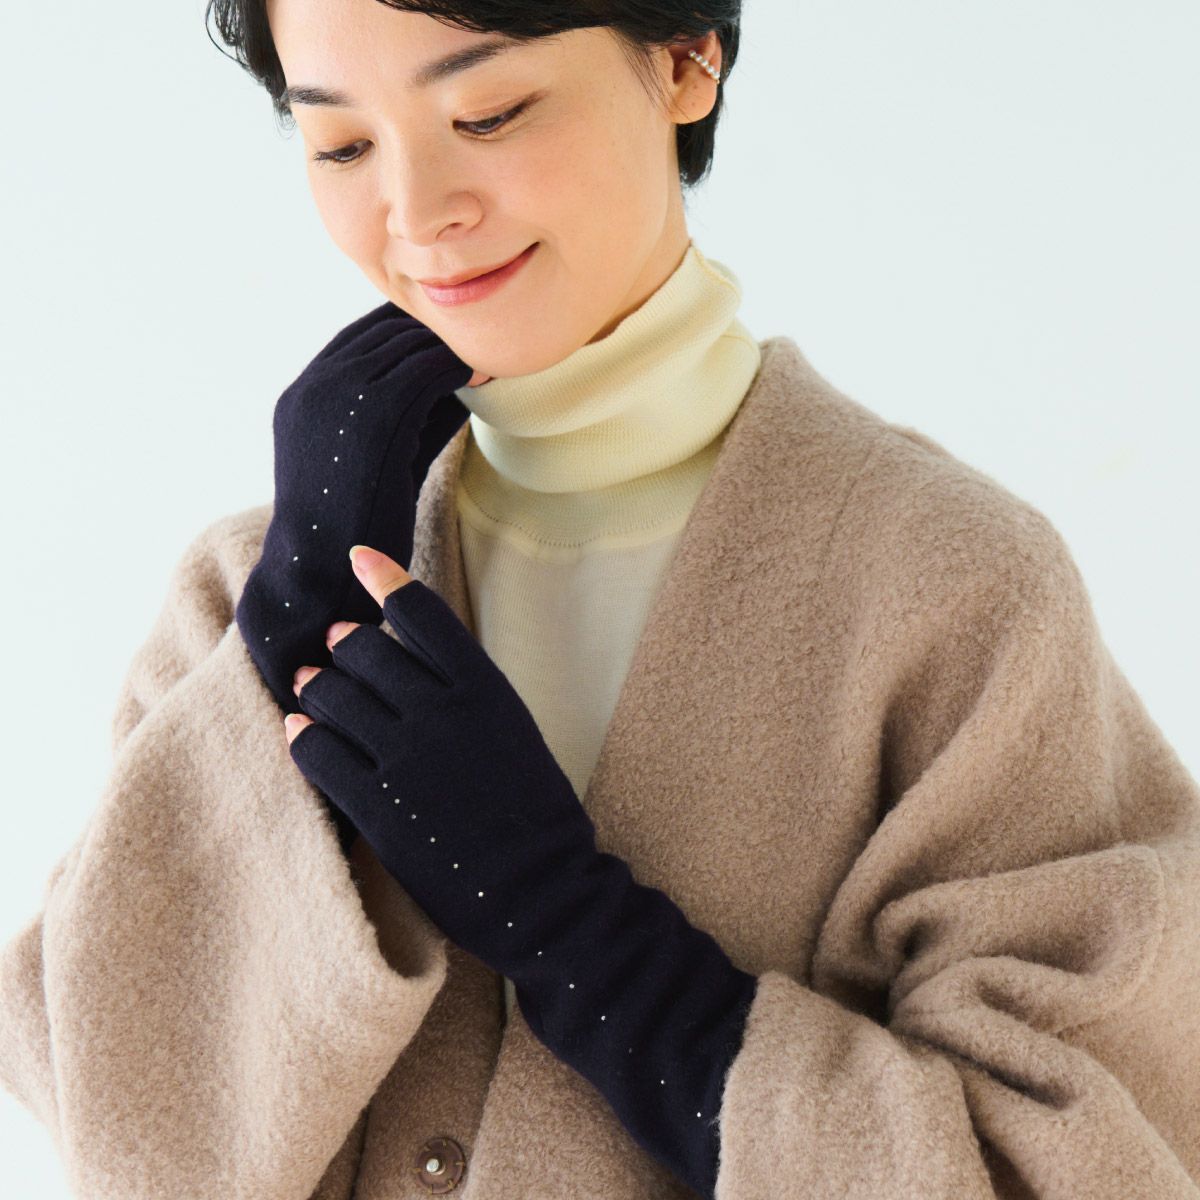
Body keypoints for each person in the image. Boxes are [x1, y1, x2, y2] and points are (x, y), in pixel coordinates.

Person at [2, 3, 1199, 1199]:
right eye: (343, 145)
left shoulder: (951, 589)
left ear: (683, 61)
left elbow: (1077, 1163)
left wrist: (572, 928)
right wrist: (288, 623)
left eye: (489, 112)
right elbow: (112, 1115)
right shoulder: (254, 587)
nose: (416, 212)